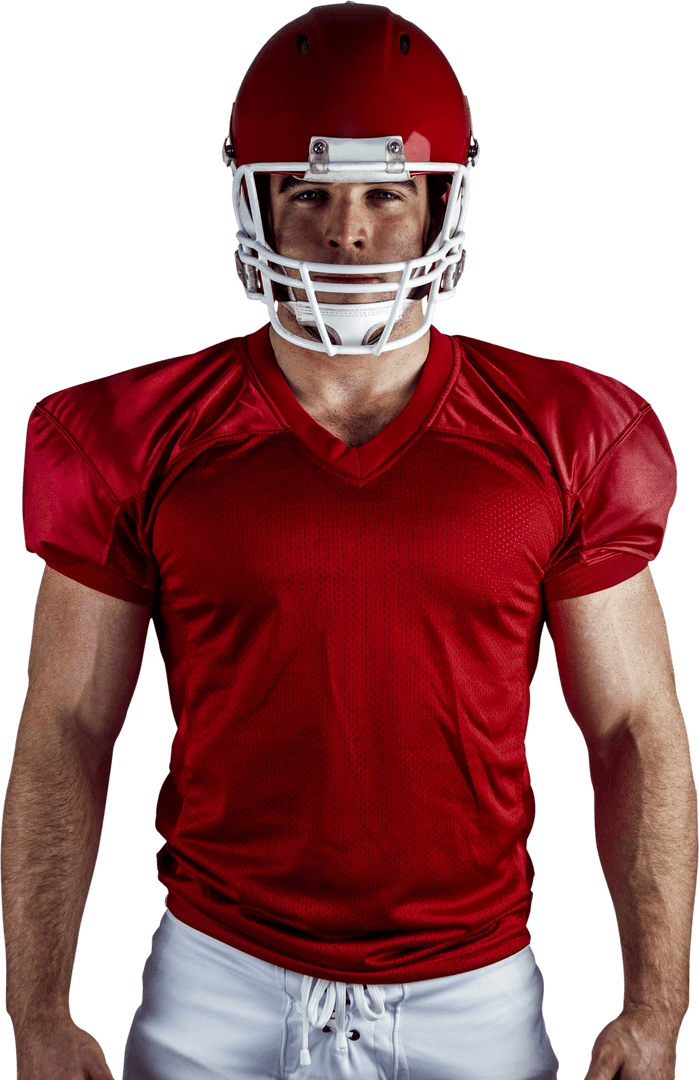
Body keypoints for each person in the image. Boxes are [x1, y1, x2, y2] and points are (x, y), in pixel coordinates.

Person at [2, 3, 696, 1079]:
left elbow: (634, 730)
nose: (351, 232)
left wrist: (654, 1006)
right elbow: (67, 731)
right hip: (217, 981)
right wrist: (39, 1010)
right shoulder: (132, 438)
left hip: (475, 990)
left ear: (442, 207)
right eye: (310, 195)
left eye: (387, 193)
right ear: (256, 206)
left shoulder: (569, 436)